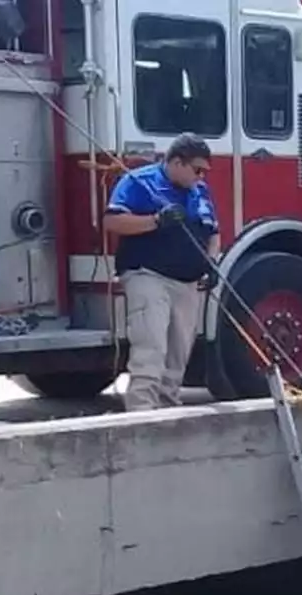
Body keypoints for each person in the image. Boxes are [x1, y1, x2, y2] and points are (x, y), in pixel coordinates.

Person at [104, 133, 220, 411]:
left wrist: (211, 261)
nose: (201, 176)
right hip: (148, 275)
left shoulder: (200, 191)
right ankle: (141, 413)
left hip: (187, 281)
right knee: (151, 345)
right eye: (197, 169)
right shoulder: (138, 182)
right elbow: (112, 221)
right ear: (176, 162)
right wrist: (156, 221)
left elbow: (213, 231)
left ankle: (168, 408)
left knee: (179, 352)